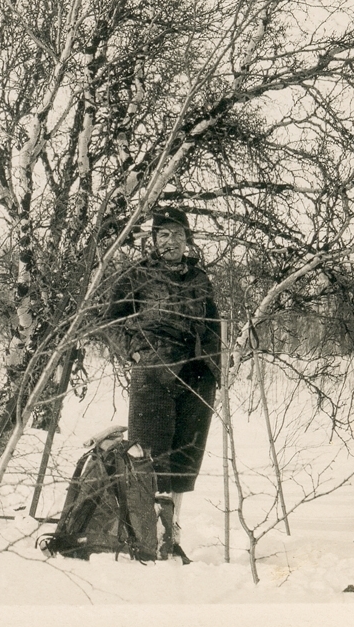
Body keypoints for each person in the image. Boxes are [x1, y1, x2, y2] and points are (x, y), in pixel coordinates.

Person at [104, 205, 221, 559]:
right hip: (153, 375)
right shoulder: (137, 275)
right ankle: (148, 537)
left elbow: (213, 324)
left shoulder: (199, 278)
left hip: (196, 377)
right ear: (153, 240)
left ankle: (172, 535)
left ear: (188, 240)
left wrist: (217, 365)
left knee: (185, 458)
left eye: (178, 235)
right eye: (163, 235)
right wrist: (134, 353)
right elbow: (110, 319)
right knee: (150, 456)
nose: (171, 242)